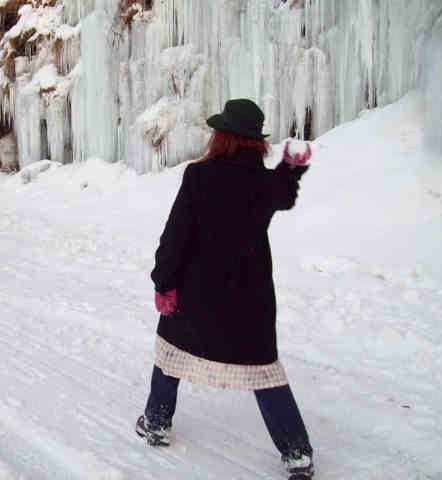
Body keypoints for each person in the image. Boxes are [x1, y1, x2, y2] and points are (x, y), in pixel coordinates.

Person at [135, 99, 315, 480]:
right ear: (255, 142)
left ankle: (156, 422)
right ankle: (296, 452)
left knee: (171, 353)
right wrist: (292, 166)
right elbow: (284, 193)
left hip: (197, 294)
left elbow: (176, 236)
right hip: (251, 300)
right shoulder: (265, 183)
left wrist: (163, 282)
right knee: (264, 373)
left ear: (222, 137)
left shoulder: (200, 177)